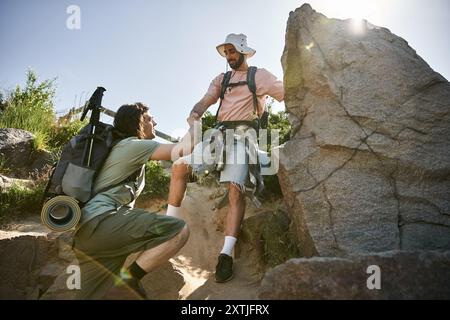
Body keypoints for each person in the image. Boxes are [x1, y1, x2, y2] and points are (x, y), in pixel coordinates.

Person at [166, 33, 284, 283]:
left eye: (232, 51)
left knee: (235, 189)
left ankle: (226, 254)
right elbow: (204, 102)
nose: (229, 56)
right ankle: (167, 228)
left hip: (246, 136)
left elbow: (286, 93)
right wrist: (195, 114)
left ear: (243, 51)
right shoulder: (222, 79)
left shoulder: (260, 76)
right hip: (218, 135)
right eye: (226, 52)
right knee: (179, 167)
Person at [73, 102, 195, 299]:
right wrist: (194, 123)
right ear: (138, 122)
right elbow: (185, 148)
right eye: (149, 119)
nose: (154, 121)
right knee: (178, 231)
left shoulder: (120, 149)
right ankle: (127, 280)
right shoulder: (132, 146)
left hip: (85, 234)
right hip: (104, 221)